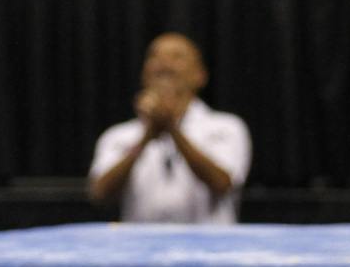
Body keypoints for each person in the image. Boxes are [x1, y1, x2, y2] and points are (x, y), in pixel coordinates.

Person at [88, 33, 252, 225]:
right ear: (143, 74)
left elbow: (222, 184)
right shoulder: (119, 135)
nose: (163, 64)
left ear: (200, 76)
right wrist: (145, 139)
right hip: (139, 251)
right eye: (154, 57)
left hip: (209, 250)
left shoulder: (227, 127)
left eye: (177, 57)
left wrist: (172, 130)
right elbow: (100, 194)